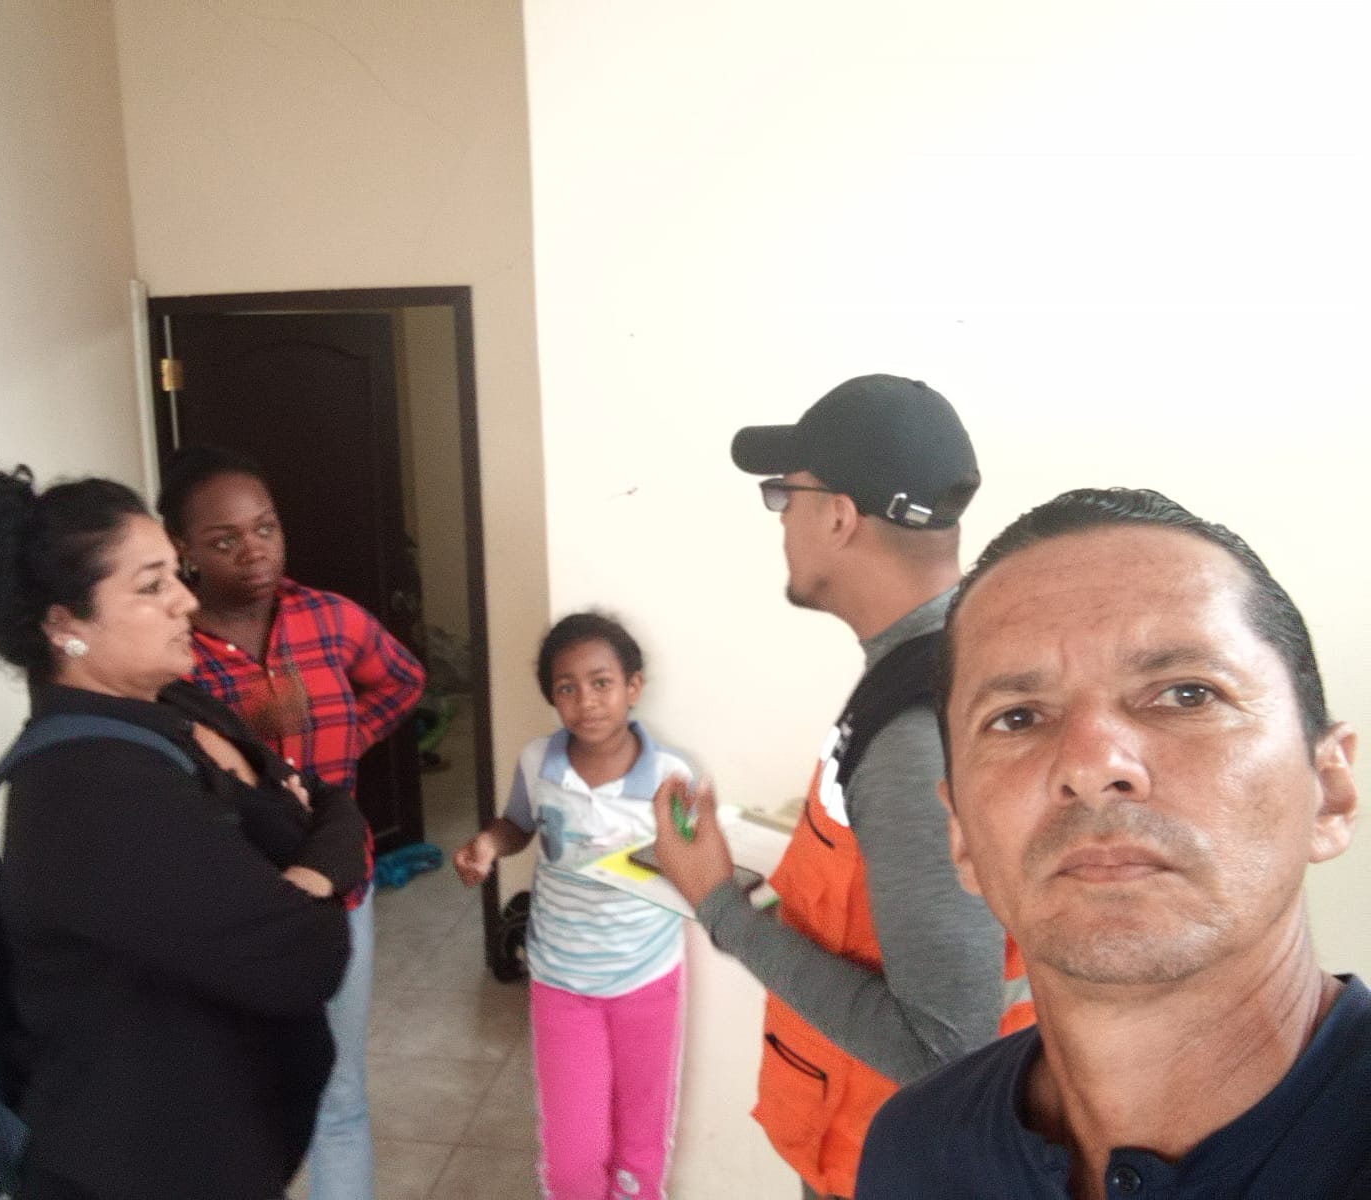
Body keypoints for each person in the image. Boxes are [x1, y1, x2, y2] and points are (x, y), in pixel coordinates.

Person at [856, 487, 1367, 1199]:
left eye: (1188, 694)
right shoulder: (914, 1150)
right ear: (961, 834)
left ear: (1330, 791)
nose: (1092, 764)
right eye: (1018, 717)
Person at [652, 374, 1032, 1200]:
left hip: (895, 1165)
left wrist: (717, 902)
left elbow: (945, 1050)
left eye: (784, 495)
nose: (780, 519)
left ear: (838, 516)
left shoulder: (917, 730)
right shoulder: (945, 663)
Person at [0, 462, 365, 1200]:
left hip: (220, 1141)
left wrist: (304, 877)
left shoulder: (173, 705)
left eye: (175, 573)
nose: (186, 600)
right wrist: (313, 872)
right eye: (151, 586)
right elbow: (303, 957)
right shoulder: (93, 788)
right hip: (140, 1165)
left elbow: (333, 806)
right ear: (64, 624)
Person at [156, 445, 426, 1200]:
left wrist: (346, 737)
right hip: (233, 906)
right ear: (183, 548)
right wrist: (253, 734)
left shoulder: (329, 618)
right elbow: (164, 771)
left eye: (265, 529)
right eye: (225, 540)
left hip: (341, 889)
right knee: (239, 1093)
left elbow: (403, 680)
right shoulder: (174, 652)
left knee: (338, 1091)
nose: (254, 552)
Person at [453, 612, 692, 1200]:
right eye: (567, 687)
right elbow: (517, 824)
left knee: (640, 1147)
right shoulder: (540, 762)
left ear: (633, 686)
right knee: (572, 1161)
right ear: (553, 698)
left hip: (647, 978)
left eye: (601, 682)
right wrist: (489, 845)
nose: (586, 701)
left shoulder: (669, 775)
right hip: (561, 980)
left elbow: (690, 864)